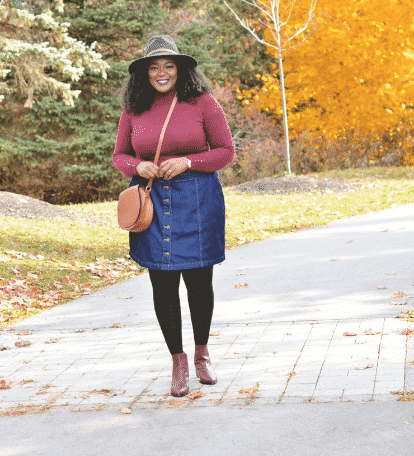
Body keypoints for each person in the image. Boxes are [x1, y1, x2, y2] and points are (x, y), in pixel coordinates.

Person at [113, 35, 235, 397]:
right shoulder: (133, 108)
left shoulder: (202, 103)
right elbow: (120, 155)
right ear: (144, 73)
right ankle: (178, 362)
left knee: (199, 282)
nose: (161, 72)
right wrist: (139, 165)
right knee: (163, 284)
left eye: (168, 65)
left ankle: (201, 355)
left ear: (180, 69)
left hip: (198, 201)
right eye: (154, 67)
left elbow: (226, 151)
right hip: (151, 208)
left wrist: (189, 162)